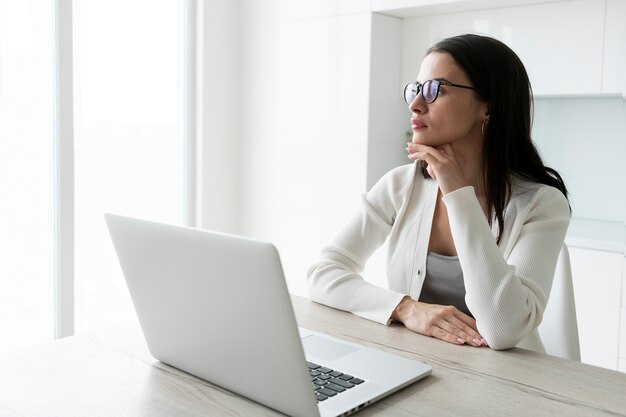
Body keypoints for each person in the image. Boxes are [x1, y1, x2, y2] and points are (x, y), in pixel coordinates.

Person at [306, 34, 570, 352]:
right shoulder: (400, 186)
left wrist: (458, 193)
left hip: (509, 385)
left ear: (488, 107)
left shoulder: (543, 205)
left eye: (435, 89)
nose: (415, 104)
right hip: (419, 369)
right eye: (416, 89)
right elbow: (322, 274)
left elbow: (504, 330)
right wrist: (406, 308)